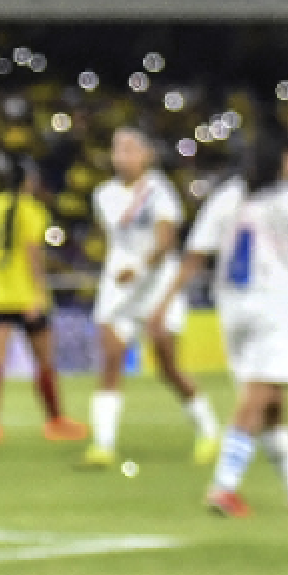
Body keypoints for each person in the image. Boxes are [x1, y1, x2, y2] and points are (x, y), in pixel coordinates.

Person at [152, 134, 288, 516]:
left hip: (232, 306)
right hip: (277, 304)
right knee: (259, 393)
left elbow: (195, 255)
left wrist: (164, 301)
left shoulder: (227, 195)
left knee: (271, 399)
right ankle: (224, 486)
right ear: (283, 161)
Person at [82, 127, 220, 468]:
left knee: (167, 366)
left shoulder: (160, 190)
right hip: (119, 288)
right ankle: (103, 446)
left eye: (130, 149)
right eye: (117, 149)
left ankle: (209, 431)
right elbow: (116, 239)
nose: (122, 156)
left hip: (158, 286)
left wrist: (139, 268)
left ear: (146, 155)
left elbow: (167, 240)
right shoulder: (103, 194)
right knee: (110, 360)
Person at [0, 159, 86, 444]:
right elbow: (33, 254)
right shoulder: (31, 210)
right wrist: (39, 293)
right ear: (28, 182)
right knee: (45, 361)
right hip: (25, 296)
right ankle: (55, 421)